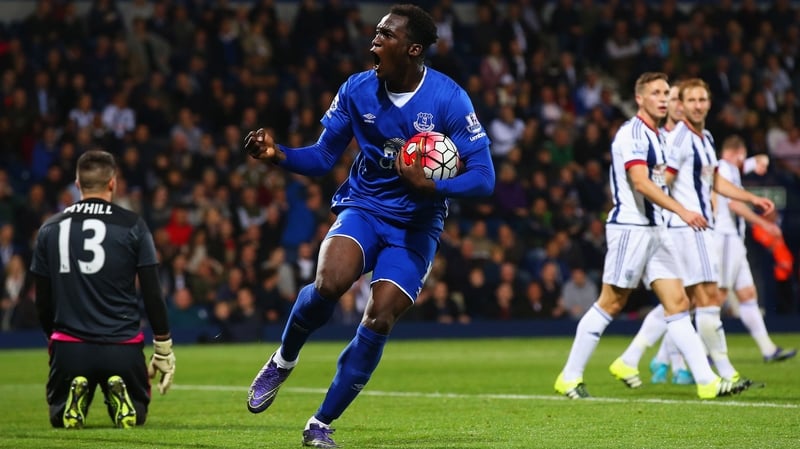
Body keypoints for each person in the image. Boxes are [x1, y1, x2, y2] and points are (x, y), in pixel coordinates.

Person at [242, 5, 495, 448]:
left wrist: (434, 186)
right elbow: (323, 156)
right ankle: (283, 359)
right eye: (376, 32)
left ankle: (320, 423)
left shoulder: (448, 99)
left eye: (385, 35)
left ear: (412, 49)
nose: (374, 41)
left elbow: (484, 177)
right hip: (365, 207)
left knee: (379, 318)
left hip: (416, 225)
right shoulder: (357, 89)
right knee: (329, 282)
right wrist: (278, 155)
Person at [553, 72, 749, 400]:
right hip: (631, 229)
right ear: (639, 98)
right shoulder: (632, 134)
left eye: (666, 93)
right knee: (611, 302)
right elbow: (641, 183)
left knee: (678, 303)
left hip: (656, 230)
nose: (663, 98)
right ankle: (570, 376)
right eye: (656, 93)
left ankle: (707, 381)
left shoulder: (657, 136)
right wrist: (682, 210)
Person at [608, 78, 775, 389]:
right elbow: (663, 180)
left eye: (703, 99)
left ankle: (633, 358)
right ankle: (725, 373)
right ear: (681, 105)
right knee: (706, 298)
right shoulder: (681, 139)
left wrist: (750, 197)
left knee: (682, 301)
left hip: (694, 227)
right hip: (687, 229)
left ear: (709, 103)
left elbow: (714, 181)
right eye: (692, 100)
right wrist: (674, 212)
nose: (698, 105)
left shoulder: (705, 137)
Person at [30, 150, 176, 429]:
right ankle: (116, 390)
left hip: (70, 348)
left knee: (59, 416)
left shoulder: (50, 228)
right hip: (122, 347)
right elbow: (152, 291)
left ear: (78, 184)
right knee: (138, 414)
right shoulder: (133, 224)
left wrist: (54, 339)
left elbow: (42, 300)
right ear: (112, 182)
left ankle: (77, 394)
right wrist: (163, 346)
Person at [714, 136, 796, 362]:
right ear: (739, 153)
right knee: (713, 299)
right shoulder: (725, 169)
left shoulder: (730, 167)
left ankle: (768, 350)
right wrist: (764, 223)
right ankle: (697, 353)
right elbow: (733, 203)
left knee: (747, 294)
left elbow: (753, 161)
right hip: (724, 236)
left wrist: (758, 161)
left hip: (734, 239)